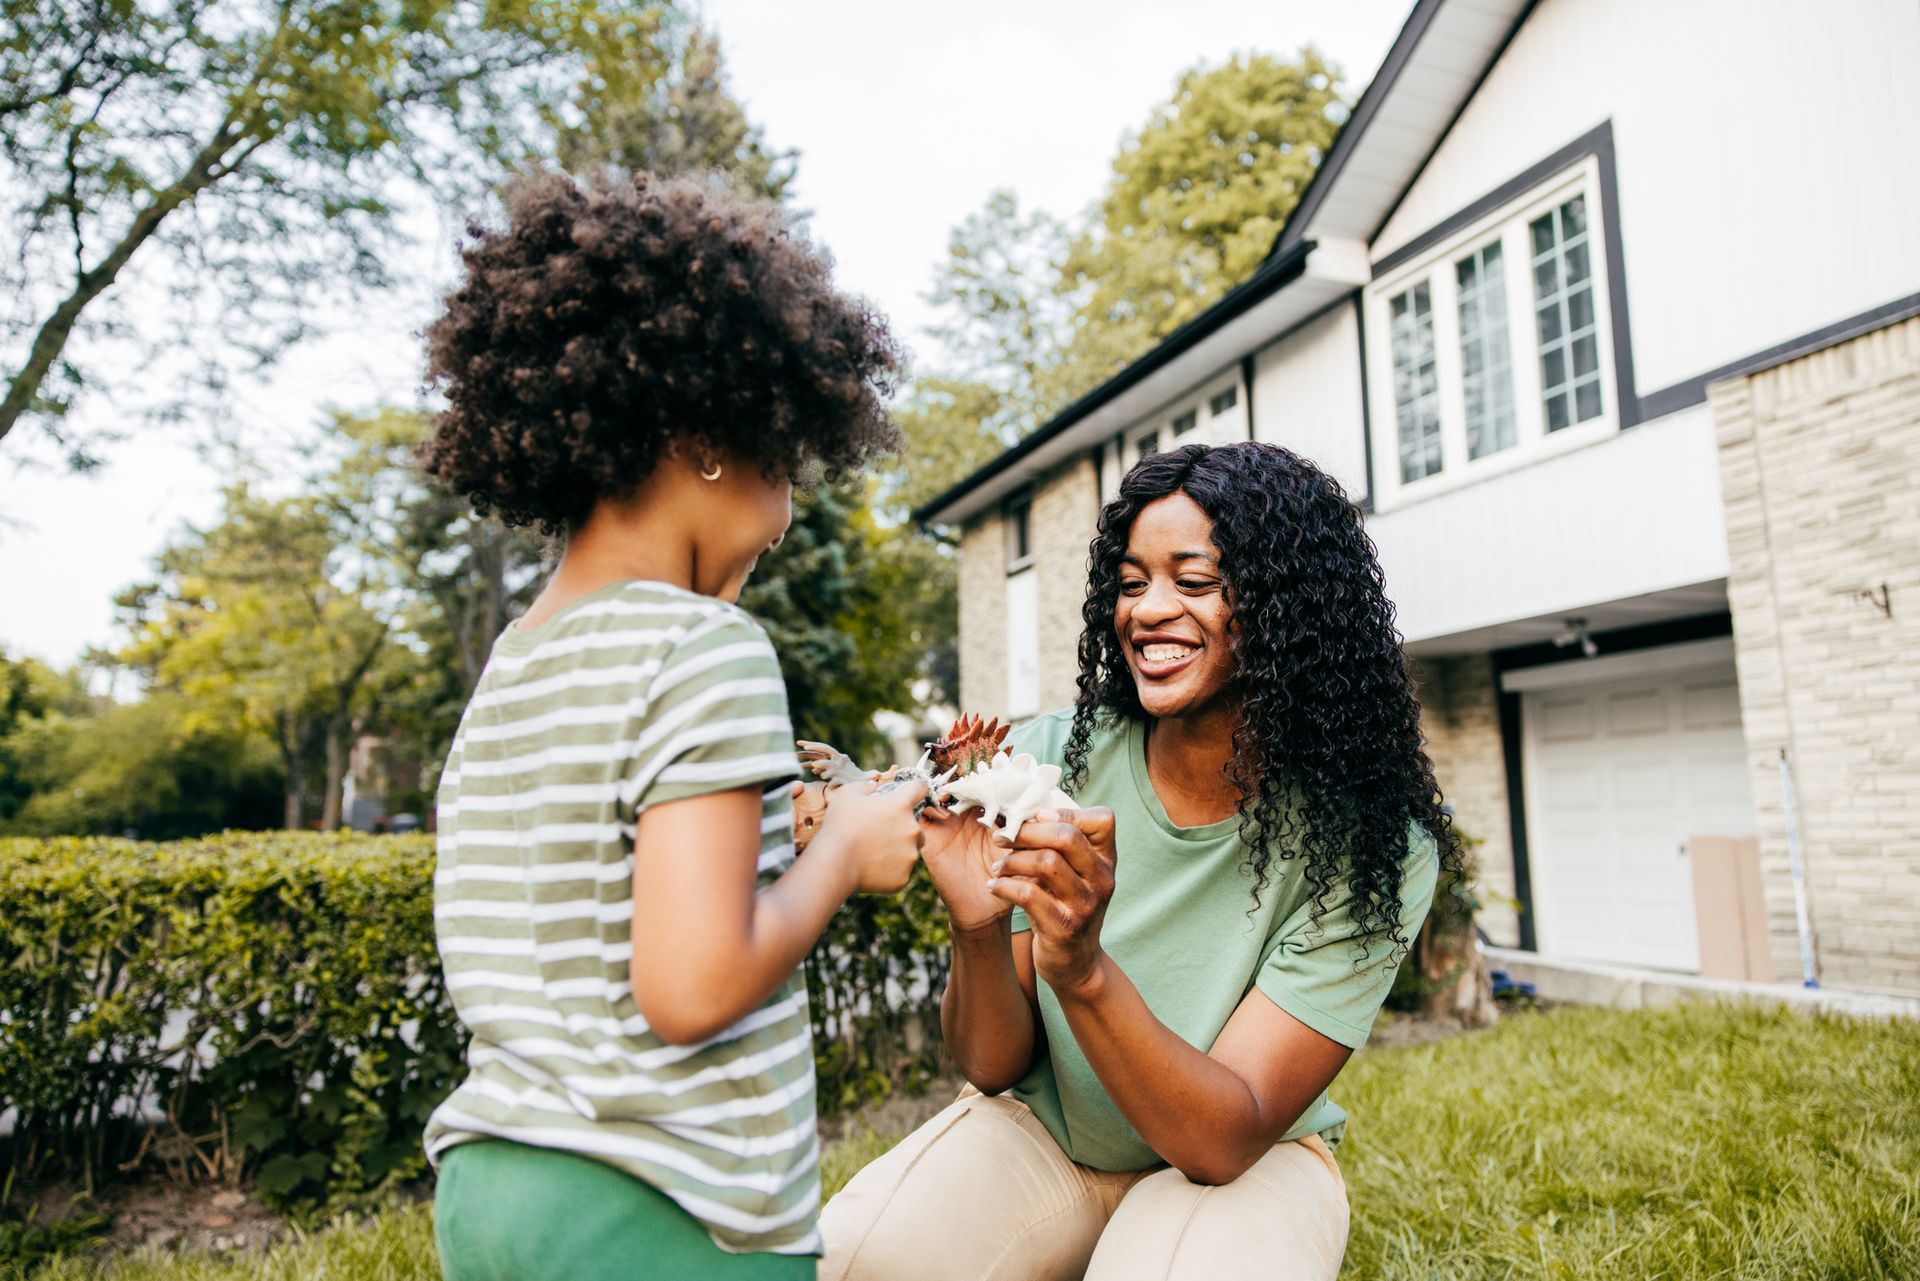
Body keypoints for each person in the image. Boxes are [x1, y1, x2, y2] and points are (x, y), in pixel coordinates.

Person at [418, 169, 926, 1280]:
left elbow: (589, 888)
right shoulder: (706, 646)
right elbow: (690, 987)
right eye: (785, 458)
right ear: (706, 433)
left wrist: (772, 828)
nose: (788, 516)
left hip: (496, 1188)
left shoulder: (518, 658)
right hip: (664, 1212)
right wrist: (841, 850)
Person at [823, 442, 1458, 1281]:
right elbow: (989, 1064)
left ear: (1287, 608)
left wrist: (1081, 968)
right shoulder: (1047, 762)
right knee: (860, 1257)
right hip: (1054, 1136)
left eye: (1194, 582)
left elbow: (1225, 1133)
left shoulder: (1371, 845)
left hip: (1241, 1162)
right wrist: (978, 923)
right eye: (1130, 583)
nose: (1149, 610)